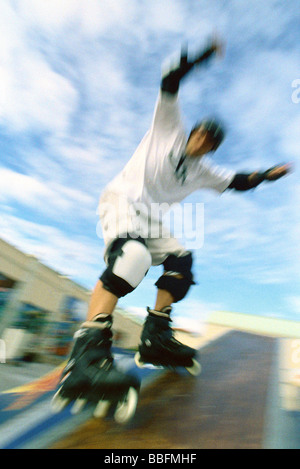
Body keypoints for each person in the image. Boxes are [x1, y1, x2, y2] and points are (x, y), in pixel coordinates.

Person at [52, 39, 291, 422]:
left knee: (181, 260)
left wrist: (269, 174)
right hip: (122, 201)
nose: (201, 142)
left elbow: (239, 181)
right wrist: (200, 56)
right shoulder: (168, 129)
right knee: (132, 258)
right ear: (192, 131)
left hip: (150, 218)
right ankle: (86, 351)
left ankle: (156, 335)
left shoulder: (204, 171)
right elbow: (170, 79)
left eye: (209, 142)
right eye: (200, 135)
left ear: (211, 149)